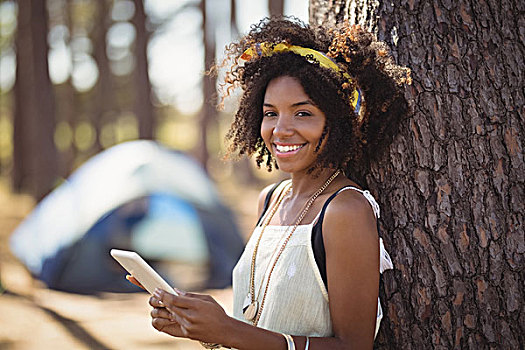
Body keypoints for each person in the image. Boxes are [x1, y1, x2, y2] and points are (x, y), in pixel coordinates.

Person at [142, 16, 410, 349]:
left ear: (339, 122)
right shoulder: (269, 200)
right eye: (271, 113)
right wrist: (201, 328)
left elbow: (353, 346)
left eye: (303, 113)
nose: (280, 130)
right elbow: (259, 322)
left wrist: (227, 331)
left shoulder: (344, 210)